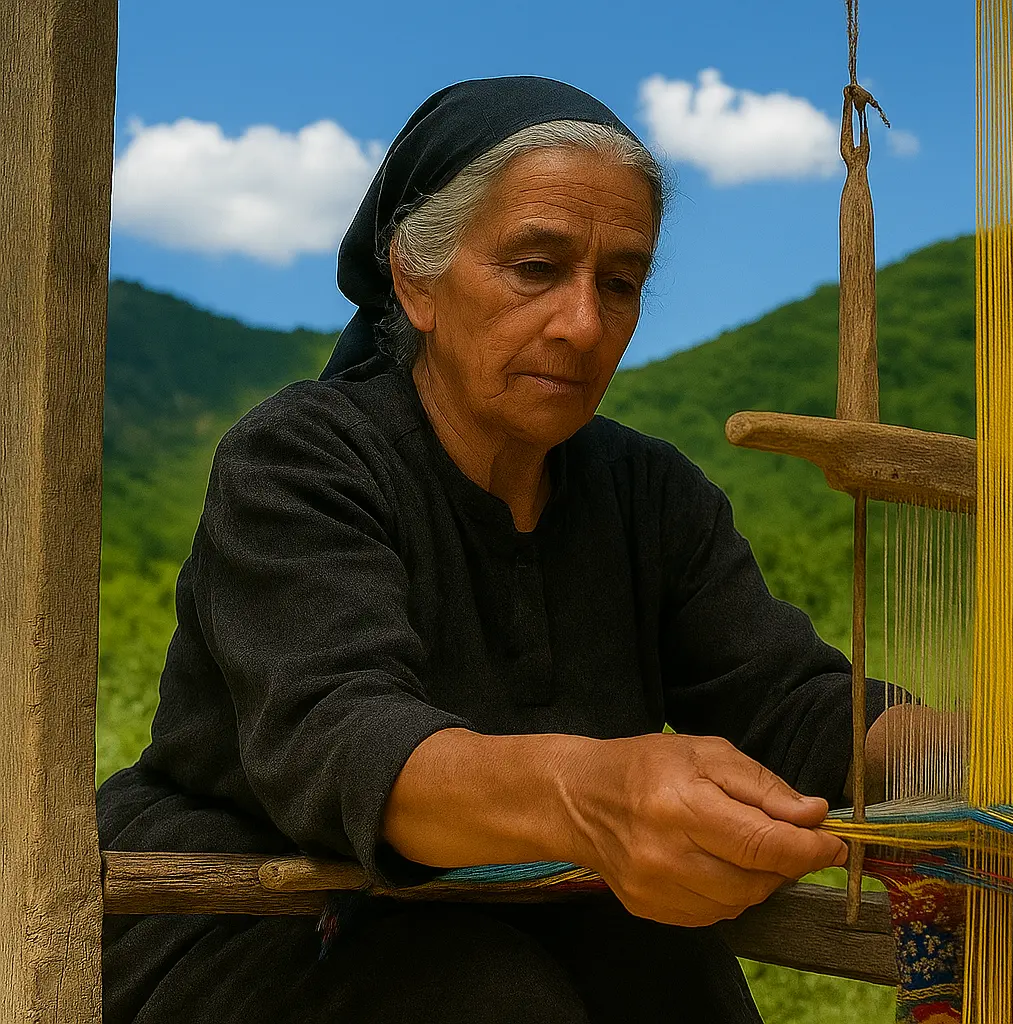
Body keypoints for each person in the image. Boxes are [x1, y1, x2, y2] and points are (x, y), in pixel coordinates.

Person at [95, 77, 912, 1023]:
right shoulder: (300, 462)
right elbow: (347, 740)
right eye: (535, 267)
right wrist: (593, 796)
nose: (583, 324)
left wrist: (967, 760)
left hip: (520, 901)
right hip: (257, 910)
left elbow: (791, 702)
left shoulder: (650, 496)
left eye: (620, 283)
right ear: (415, 278)